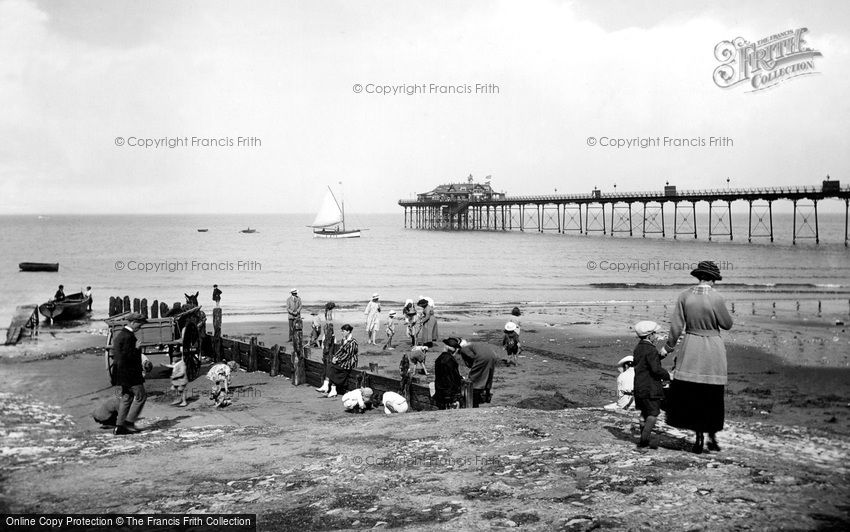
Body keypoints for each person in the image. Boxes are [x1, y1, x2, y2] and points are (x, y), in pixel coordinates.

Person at [663, 260, 734, 454]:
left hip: (691, 345)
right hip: (712, 347)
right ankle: (712, 436)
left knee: (692, 393)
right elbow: (727, 324)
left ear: (698, 276)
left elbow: (676, 327)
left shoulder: (684, 296)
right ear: (713, 279)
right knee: (712, 394)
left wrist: (668, 347)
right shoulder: (717, 297)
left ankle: (698, 437)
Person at [632, 321, 671, 449]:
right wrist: (667, 375)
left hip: (639, 386)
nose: (657, 336)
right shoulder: (651, 349)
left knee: (644, 412)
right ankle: (644, 440)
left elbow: (645, 364)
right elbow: (655, 369)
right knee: (653, 413)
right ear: (649, 336)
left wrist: (661, 356)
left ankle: (644, 438)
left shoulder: (638, 348)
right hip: (650, 387)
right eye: (655, 334)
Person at [112, 312, 148, 435]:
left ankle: (119, 427)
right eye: (139, 324)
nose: (140, 327)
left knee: (126, 398)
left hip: (121, 375)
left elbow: (120, 357)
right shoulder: (129, 337)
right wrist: (137, 348)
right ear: (132, 322)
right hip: (131, 374)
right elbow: (126, 357)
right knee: (141, 397)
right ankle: (129, 423)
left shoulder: (121, 335)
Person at [459, 339, 497, 408]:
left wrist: (473, 367)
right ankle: (486, 393)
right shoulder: (473, 344)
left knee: (473, 379)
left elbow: (471, 358)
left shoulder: (464, 349)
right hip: (493, 355)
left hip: (482, 357)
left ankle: (474, 398)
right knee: (488, 375)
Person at [325, 324, 358, 398]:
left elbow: (348, 355)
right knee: (331, 365)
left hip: (349, 362)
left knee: (332, 367)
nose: (342, 332)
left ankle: (329, 387)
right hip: (343, 361)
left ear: (348, 331)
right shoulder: (344, 340)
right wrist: (335, 357)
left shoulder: (353, 342)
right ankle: (330, 388)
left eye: (343, 331)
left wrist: (338, 360)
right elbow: (340, 351)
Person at [434, 338, 464, 409]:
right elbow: (455, 377)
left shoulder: (439, 359)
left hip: (439, 390)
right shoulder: (450, 360)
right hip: (450, 392)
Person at [316, 302, 336, 393]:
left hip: (328, 339)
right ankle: (326, 385)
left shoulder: (328, 325)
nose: (329, 317)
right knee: (327, 361)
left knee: (327, 361)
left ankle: (326, 385)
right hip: (328, 338)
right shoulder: (329, 325)